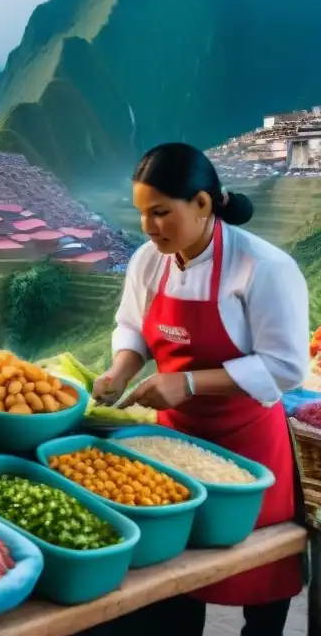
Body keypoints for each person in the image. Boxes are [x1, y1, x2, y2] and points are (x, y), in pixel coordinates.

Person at [92, 143, 310, 636]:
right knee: (175, 581)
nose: (148, 227)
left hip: (249, 445)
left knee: (260, 581)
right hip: (173, 445)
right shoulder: (150, 261)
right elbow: (133, 328)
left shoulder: (264, 268)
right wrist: (120, 373)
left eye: (161, 212)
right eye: (142, 213)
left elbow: (286, 366)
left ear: (204, 204)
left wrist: (187, 382)